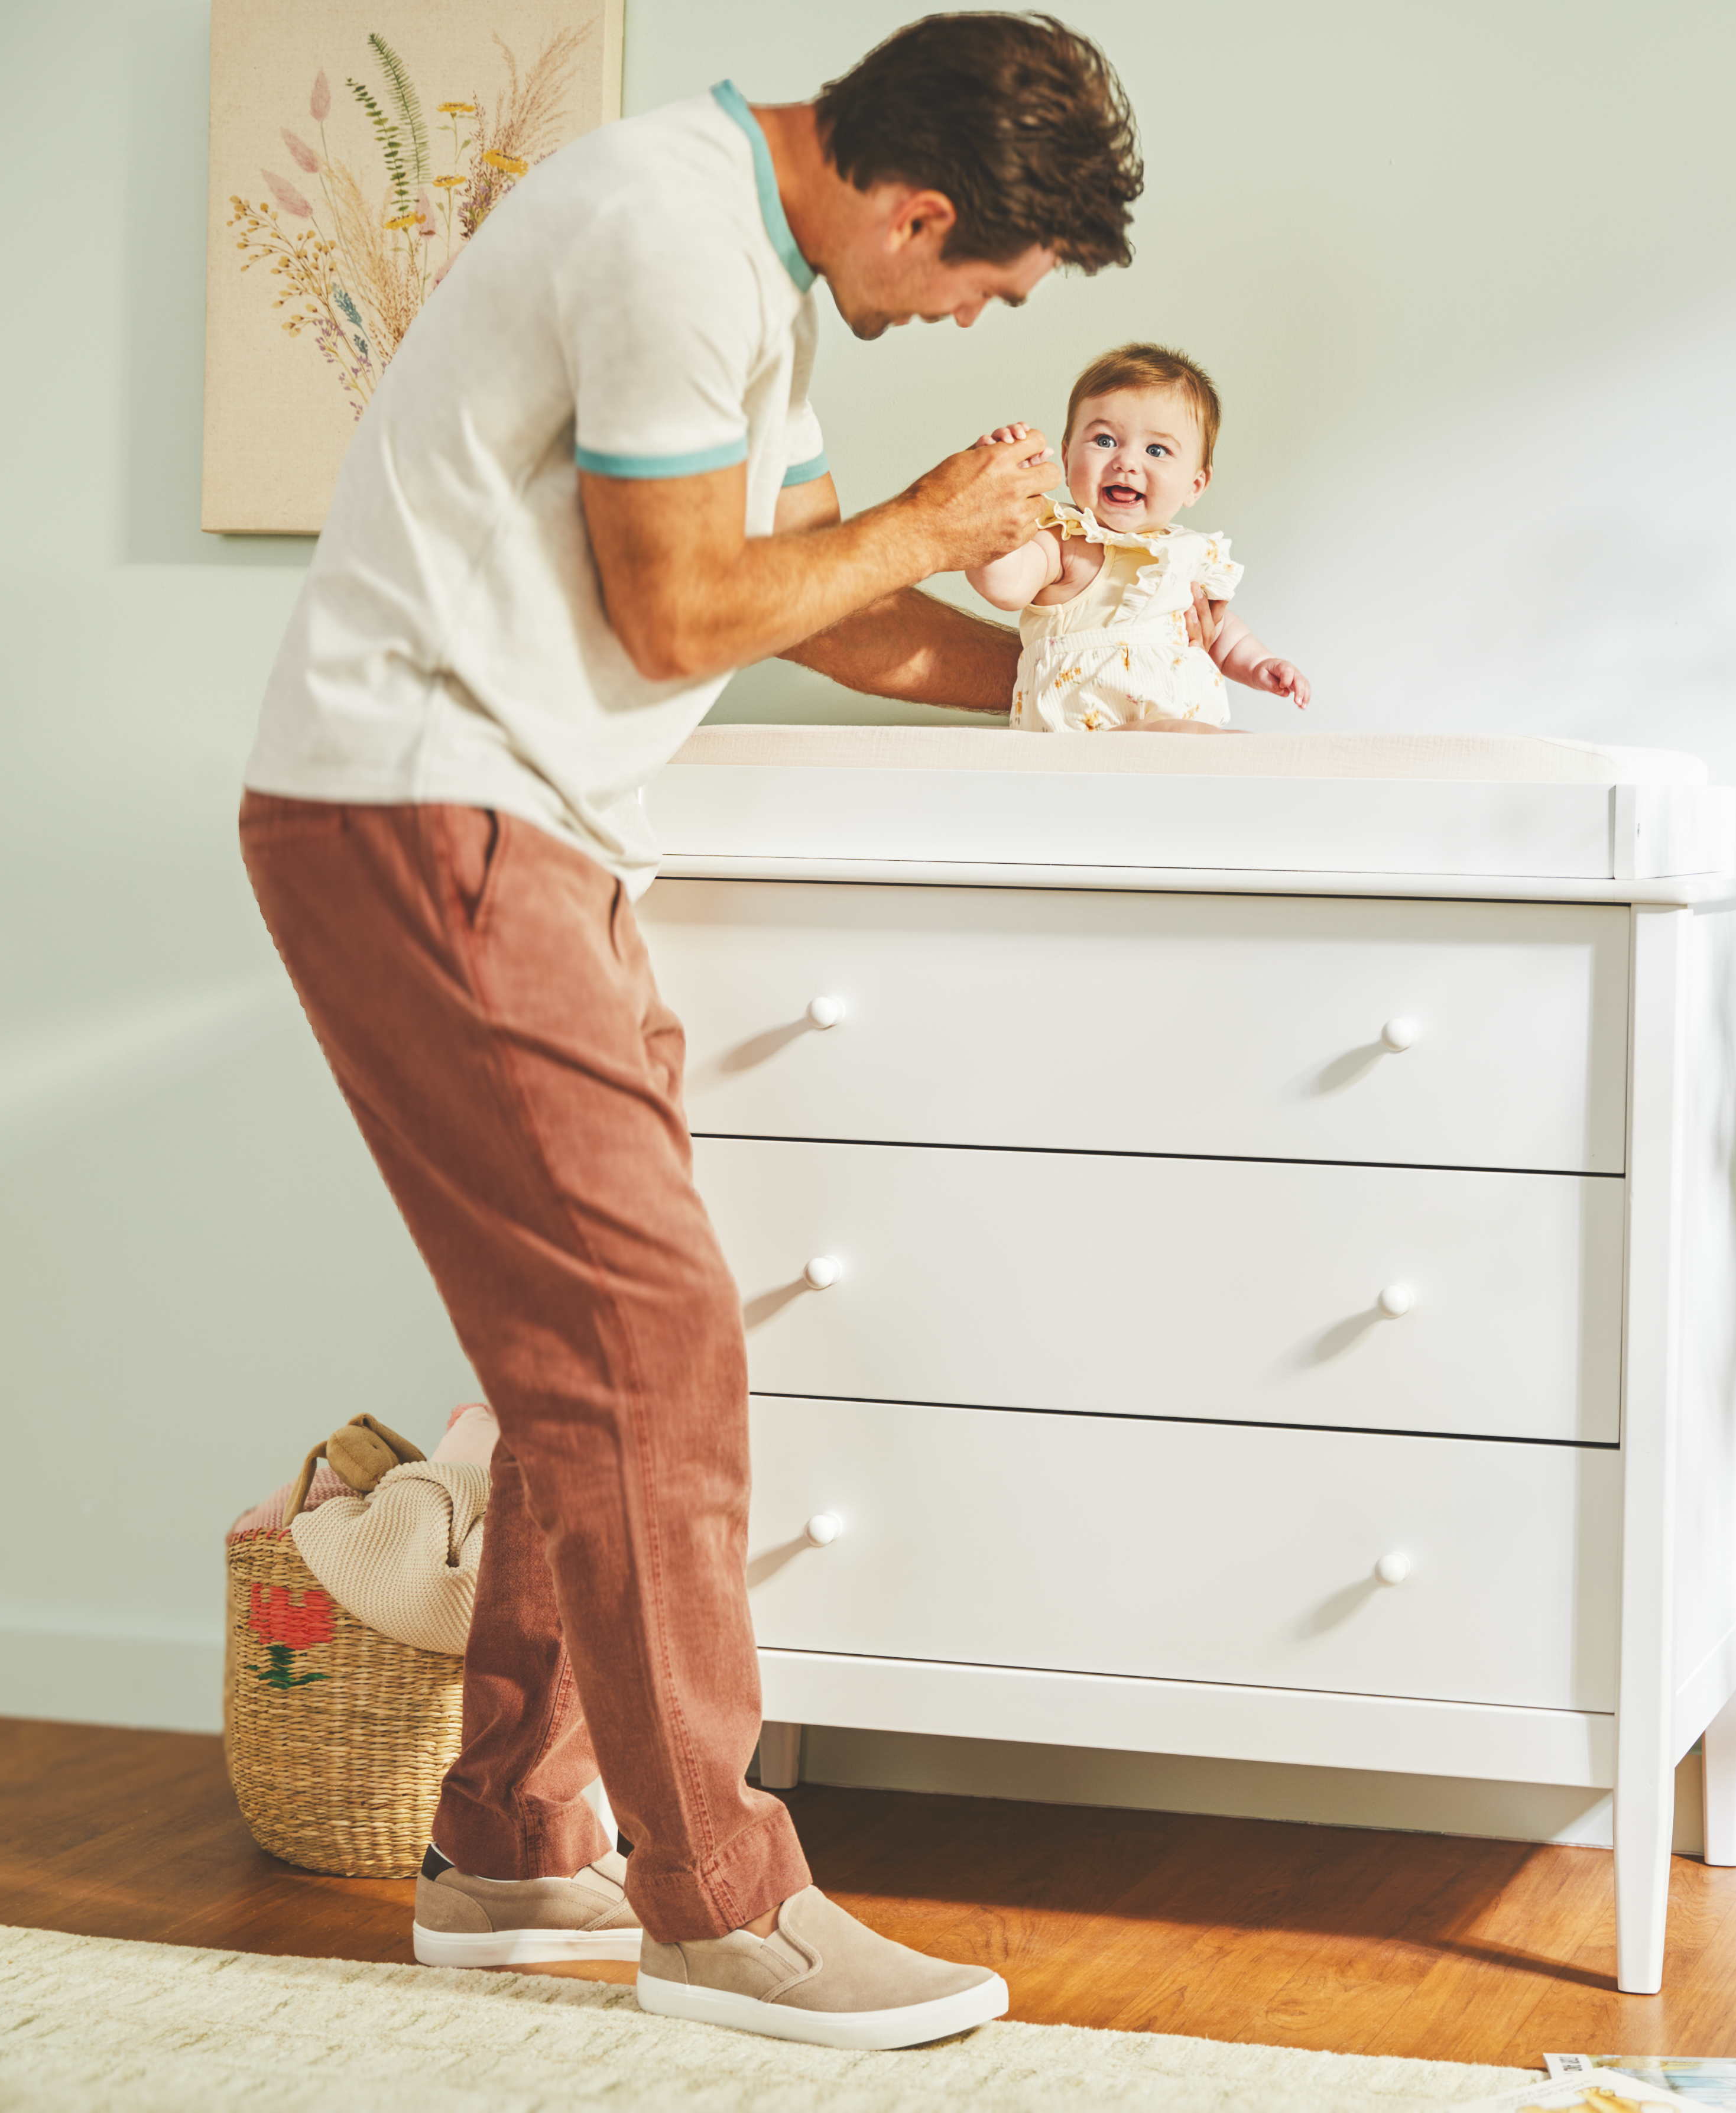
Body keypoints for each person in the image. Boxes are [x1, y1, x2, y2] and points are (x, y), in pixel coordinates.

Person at [236, 13, 1150, 2054]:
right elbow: (676, 610)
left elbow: (826, 608)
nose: (968, 323)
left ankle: (512, 1841)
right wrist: (934, 514)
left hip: (520, 825)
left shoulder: (748, 262)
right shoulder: (666, 234)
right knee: (646, 1345)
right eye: (988, 287)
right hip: (430, 809)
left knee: (590, 1362)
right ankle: (723, 1905)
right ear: (917, 211)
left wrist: (1087, 671)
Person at [966, 343, 1312, 730]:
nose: (1127, 462)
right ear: (1066, 458)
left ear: (1195, 485)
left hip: (1173, 737)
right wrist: (988, 507)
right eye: (1104, 441)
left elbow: (1221, 632)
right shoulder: (1061, 541)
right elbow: (1004, 585)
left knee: (1232, 743)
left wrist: (1259, 663)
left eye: (1156, 449)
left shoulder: (1186, 554)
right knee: (1199, 740)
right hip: (1085, 735)